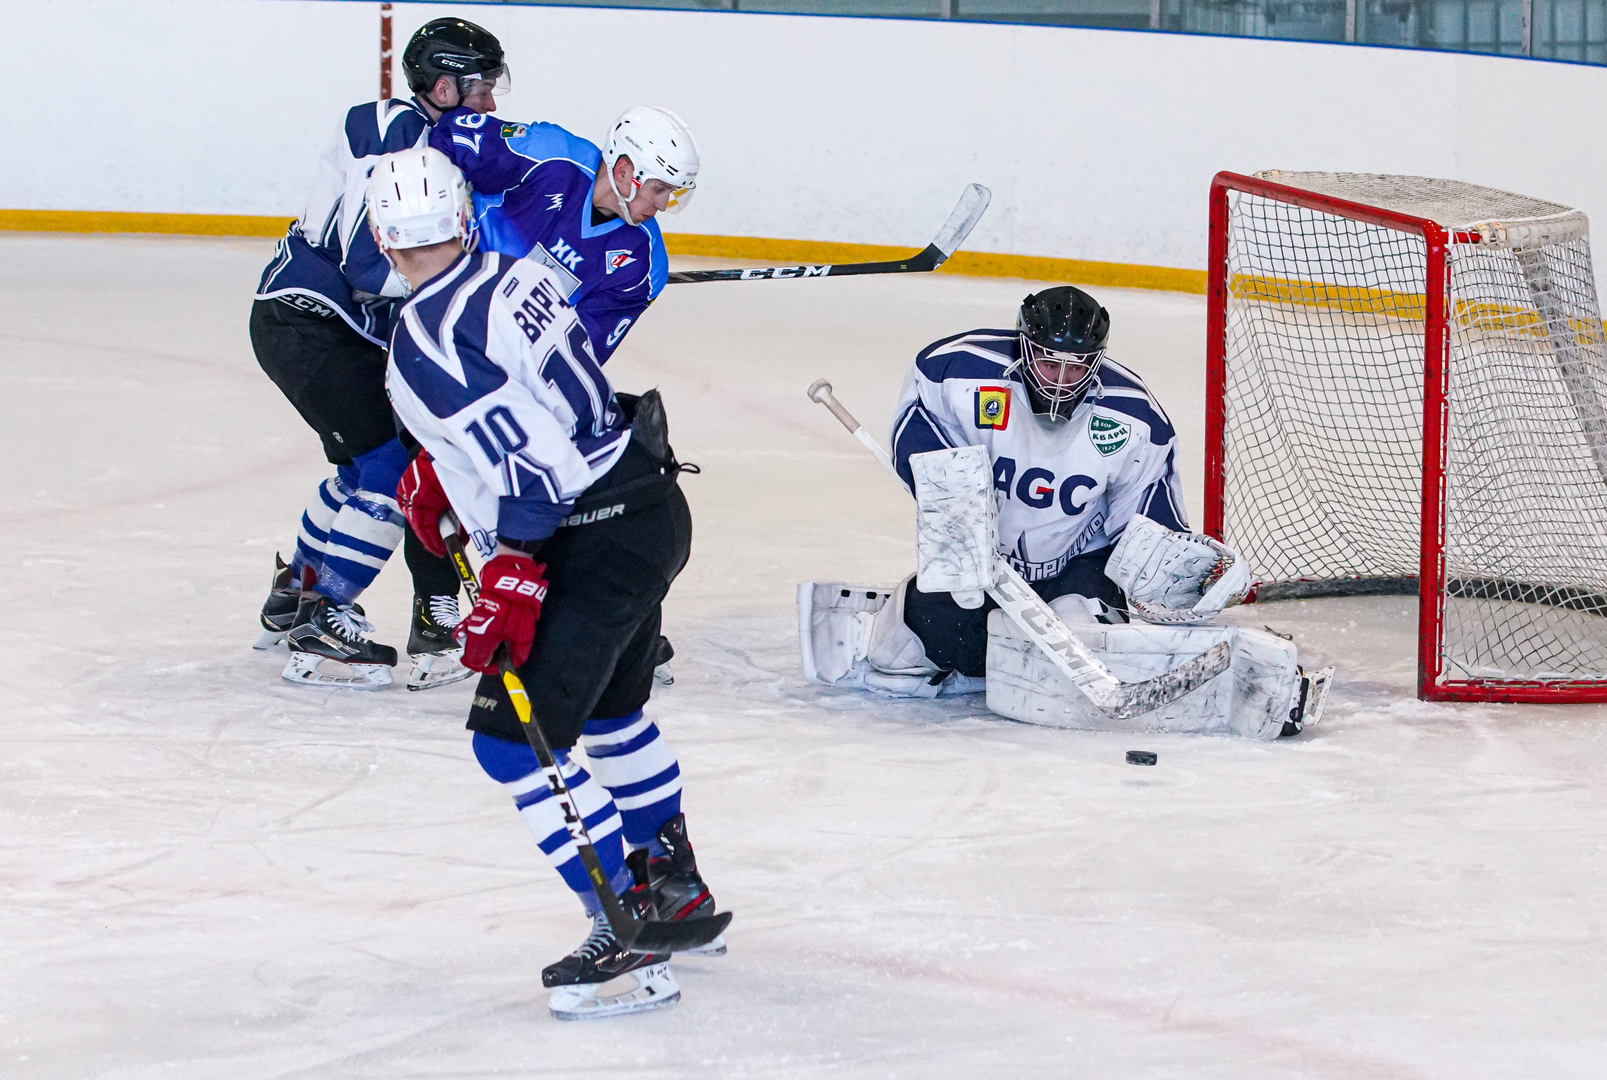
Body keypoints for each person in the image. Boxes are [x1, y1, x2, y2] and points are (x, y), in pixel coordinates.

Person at [369, 147, 724, 1020]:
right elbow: (536, 404)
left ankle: (629, 931)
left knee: (510, 744)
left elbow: (533, 469)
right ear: (463, 218)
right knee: (611, 717)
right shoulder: (513, 270)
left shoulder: (425, 338)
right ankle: (674, 888)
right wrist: (444, 471)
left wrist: (514, 573)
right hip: (647, 507)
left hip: (583, 534)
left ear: (381, 237)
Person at [798, 286, 1331, 739]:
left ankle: (1015, 652)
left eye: (1076, 366)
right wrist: (950, 496)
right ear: (1024, 345)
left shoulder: (1134, 419)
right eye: (1049, 361)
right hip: (984, 564)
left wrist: (1187, 572)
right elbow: (918, 422)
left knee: (1080, 633)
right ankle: (924, 634)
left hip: (1078, 568)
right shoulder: (958, 372)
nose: (1059, 379)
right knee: (898, 659)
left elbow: (1149, 529)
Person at [250, 17, 509, 690]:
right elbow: (365, 264)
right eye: (482, 87)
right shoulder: (400, 135)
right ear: (444, 88)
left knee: (358, 470)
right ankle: (326, 615)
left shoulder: (414, 133)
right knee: (392, 468)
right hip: (313, 323)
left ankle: (296, 593)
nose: (490, 101)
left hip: (313, 325)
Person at [427, 103, 696, 363]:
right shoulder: (548, 154)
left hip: (490, 354)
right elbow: (450, 134)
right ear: (623, 171)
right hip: (433, 289)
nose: (663, 205)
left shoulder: (645, 264)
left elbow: (575, 357)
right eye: (659, 189)